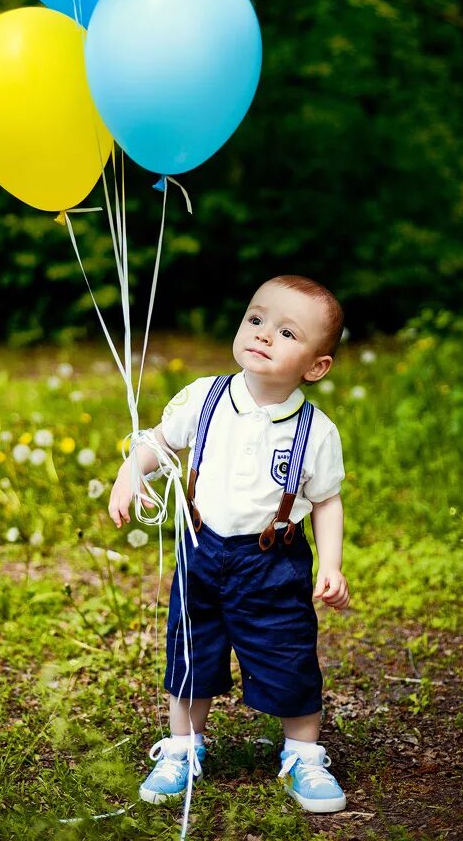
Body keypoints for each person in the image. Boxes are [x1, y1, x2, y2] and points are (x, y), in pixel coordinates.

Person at [108, 274, 351, 815]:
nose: (263, 335)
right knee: (191, 651)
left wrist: (330, 565)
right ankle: (181, 745)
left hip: (273, 562)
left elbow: (328, 501)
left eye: (287, 333)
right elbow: (159, 441)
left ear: (316, 366)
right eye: (256, 320)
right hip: (202, 549)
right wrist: (132, 470)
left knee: (288, 653)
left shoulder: (316, 431)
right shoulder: (206, 398)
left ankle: (303, 754)